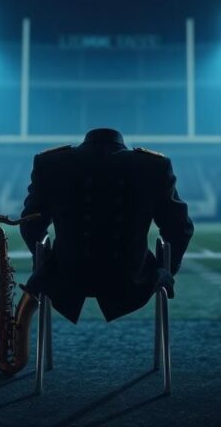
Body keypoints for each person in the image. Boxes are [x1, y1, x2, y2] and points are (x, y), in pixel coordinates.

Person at [19, 128, 194, 323]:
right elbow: (180, 228)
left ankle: (27, 353)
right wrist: (166, 269)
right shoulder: (154, 165)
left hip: (66, 275)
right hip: (133, 279)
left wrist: (43, 260)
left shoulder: (50, 163)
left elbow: (30, 224)